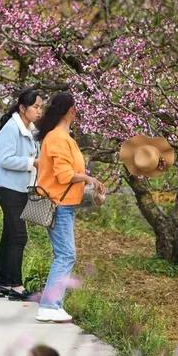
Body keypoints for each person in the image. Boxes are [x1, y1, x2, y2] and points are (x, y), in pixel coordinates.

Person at [34, 92, 104, 323]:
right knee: (65, 255)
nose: (77, 112)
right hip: (58, 205)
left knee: (64, 254)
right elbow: (64, 175)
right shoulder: (57, 138)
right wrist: (88, 179)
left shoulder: (63, 137)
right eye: (75, 108)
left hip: (63, 204)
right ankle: (49, 305)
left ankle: (53, 304)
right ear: (69, 111)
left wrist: (89, 187)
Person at [0, 89, 44, 301]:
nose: (39, 111)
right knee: (19, 235)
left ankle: (4, 284)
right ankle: (16, 286)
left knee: (10, 235)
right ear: (22, 107)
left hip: (20, 187)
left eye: (41, 107)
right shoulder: (12, 128)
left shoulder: (29, 128)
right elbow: (5, 159)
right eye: (36, 107)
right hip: (8, 187)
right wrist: (33, 163)